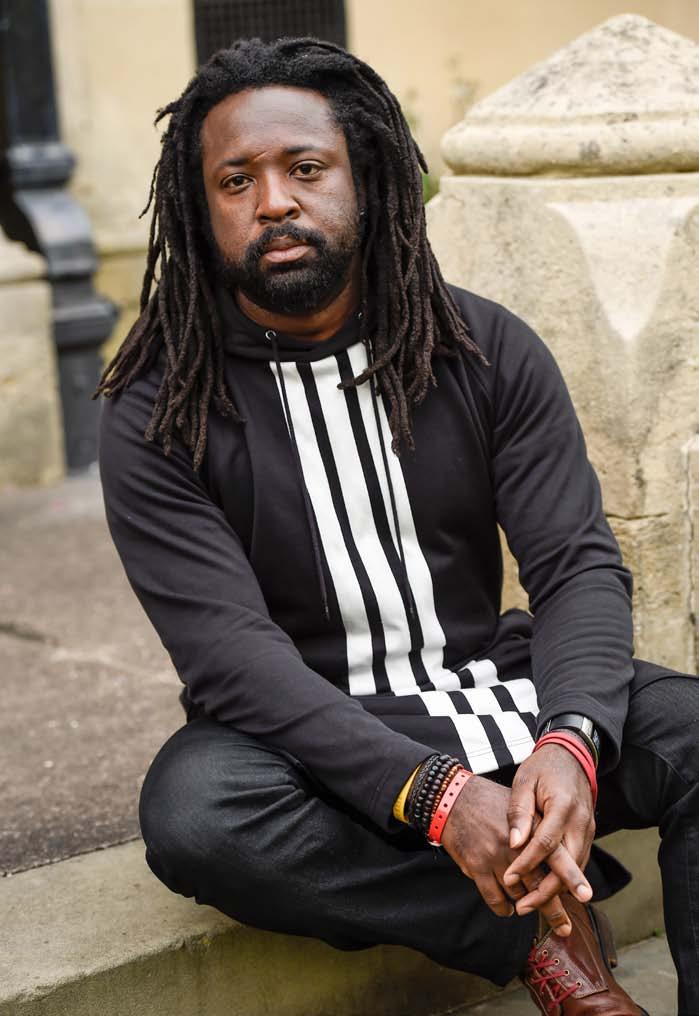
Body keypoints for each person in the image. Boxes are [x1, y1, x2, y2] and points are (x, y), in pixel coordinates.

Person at [97, 37, 698, 1015]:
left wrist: (572, 739)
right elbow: (231, 658)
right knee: (198, 813)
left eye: (305, 168)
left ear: (368, 180)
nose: (273, 202)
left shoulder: (482, 347)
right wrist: (439, 796)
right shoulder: (159, 404)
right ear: (201, 211)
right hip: (309, 737)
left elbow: (576, 566)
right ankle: (538, 930)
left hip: (492, 689)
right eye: (236, 180)